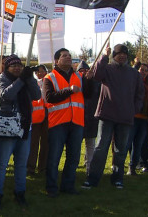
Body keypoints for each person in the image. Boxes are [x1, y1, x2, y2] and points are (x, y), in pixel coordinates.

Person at [82, 44, 144, 189]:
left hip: (125, 117)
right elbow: (96, 75)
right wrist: (104, 56)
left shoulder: (134, 74)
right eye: (118, 54)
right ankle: (93, 178)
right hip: (106, 115)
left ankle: (117, 178)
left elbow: (140, 93)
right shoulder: (107, 69)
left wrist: (134, 109)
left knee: (120, 149)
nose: (121, 56)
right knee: (100, 147)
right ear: (113, 56)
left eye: (124, 53)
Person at [0, 55, 41, 209]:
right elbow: (6, 95)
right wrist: (21, 81)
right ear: (7, 67)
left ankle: (20, 193)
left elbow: (37, 95)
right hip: (7, 130)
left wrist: (30, 78)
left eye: (19, 65)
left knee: (21, 165)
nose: (18, 68)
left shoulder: (26, 79)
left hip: (25, 127)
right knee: (1, 164)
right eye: (14, 65)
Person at [43, 48, 84, 197]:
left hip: (77, 122)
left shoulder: (79, 76)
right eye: (64, 56)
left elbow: (90, 94)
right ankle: (51, 188)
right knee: (54, 158)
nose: (68, 58)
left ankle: (68, 186)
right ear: (56, 60)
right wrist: (69, 90)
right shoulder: (49, 77)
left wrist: (90, 80)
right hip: (58, 123)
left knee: (73, 158)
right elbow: (49, 98)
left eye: (69, 56)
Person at [126, 61, 148, 175]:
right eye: (142, 70)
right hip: (133, 116)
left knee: (138, 144)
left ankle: (133, 166)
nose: (144, 72)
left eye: (146, 71)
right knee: (127, 143)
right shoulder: (132, 82)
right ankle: (120, 166)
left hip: (144, 118)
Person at [78, 61, 100, 175]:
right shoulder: (76, 83)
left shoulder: (95, 83)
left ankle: (89, 167)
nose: (84, 73)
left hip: (91, 117)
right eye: (81, 71)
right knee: (76, 144)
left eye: (85, 70)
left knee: (90, 143)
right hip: (78, 118)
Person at [27, 64, 48, 176]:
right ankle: (30, 167)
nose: (39, 73)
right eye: (37, 72)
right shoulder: (34, 83)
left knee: (45, 144)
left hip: (47, 117)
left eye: (41, 71)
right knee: (33, 144)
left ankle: (43, 167)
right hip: (35, 118)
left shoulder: (48, 81)